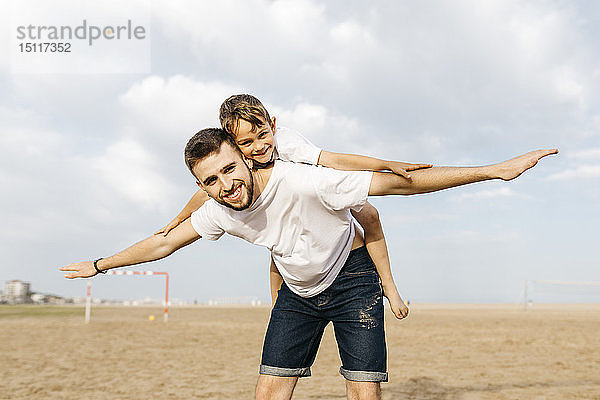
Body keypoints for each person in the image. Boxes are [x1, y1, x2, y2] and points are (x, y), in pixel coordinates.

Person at [60, 128, 556, 400]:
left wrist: (493, 171)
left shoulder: (303, 180)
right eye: (210, 181)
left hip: (352, 277)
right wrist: (101, 265)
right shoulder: (217, 211)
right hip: (299, 292)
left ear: (247, 160)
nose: (225, 186)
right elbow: (161, 244)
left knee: (363, 390)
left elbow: (398, 185)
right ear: (201, 186)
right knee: (269, 389)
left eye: (230, 169)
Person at [156, 94, 432, 319]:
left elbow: (333, 160)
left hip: (319, 192)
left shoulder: (288, 144)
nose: (259, 146)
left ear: (272, 125)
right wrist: (178, 220)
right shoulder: (236, 163)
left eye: (263, 135)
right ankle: (279, 309)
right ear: (235, 147)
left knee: (370, 215)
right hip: (287, 209)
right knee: (279, 246)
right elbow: (205, 193)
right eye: (246, 143)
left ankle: (389, 285)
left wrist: (385, 164)